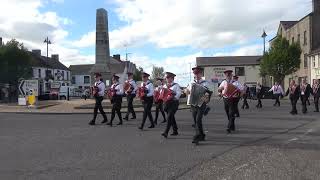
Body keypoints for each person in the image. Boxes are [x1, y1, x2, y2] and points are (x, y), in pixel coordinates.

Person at [186, 66, 211, 144]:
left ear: (201, 74)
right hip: (193, 103)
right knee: (195, 120)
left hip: (201, 104)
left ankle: (197, 137)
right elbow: (186, 90)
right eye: (195, 73)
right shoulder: (191, 82)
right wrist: (187, 91)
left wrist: (204, 99)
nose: (196, 75)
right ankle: (202, 135)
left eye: (198, 73)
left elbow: (208, 93)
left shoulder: (205, 83)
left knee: (198, 120)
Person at [161, 72, 181, 138]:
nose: (166, 79)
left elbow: (179, 93)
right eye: (166, 78)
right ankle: (175, 130)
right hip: (166, 104)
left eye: (167, 78)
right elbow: (161, 94)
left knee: (169, 117)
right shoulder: (164, 86)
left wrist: (174, 95)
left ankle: (166, 132)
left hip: (174, 103)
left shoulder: (176, 85)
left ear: (172, 78)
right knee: (171, 117)